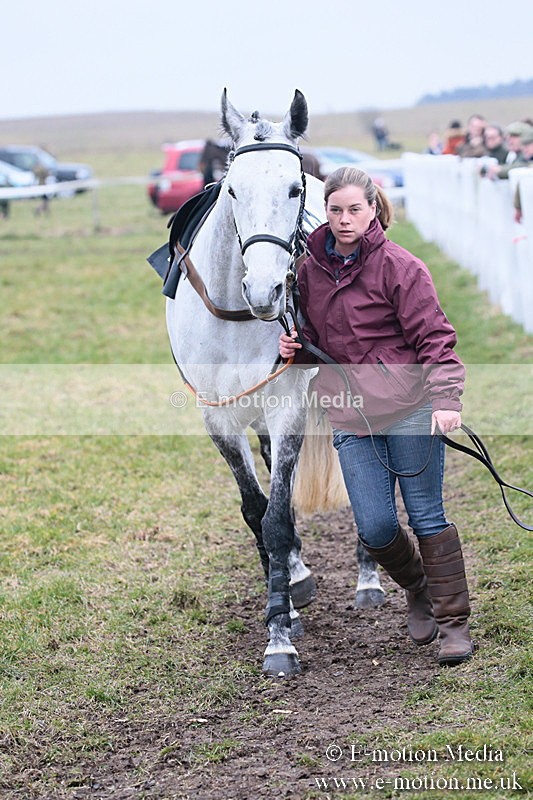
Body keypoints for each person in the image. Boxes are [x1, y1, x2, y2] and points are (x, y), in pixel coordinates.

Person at [280, 166, 475, 667]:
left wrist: (447, 400)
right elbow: (318, 343)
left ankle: (453, 624)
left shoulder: (401, 267)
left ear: (373, 210)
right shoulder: (307, 270)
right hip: (349, 416)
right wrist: (297, 349)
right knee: (374, 527)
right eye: (335, 210)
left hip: (410, 409)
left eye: (354, 210)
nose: (344, 220)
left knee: (427, 515)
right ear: (324, 211)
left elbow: (436, 339)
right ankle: (418, 587)